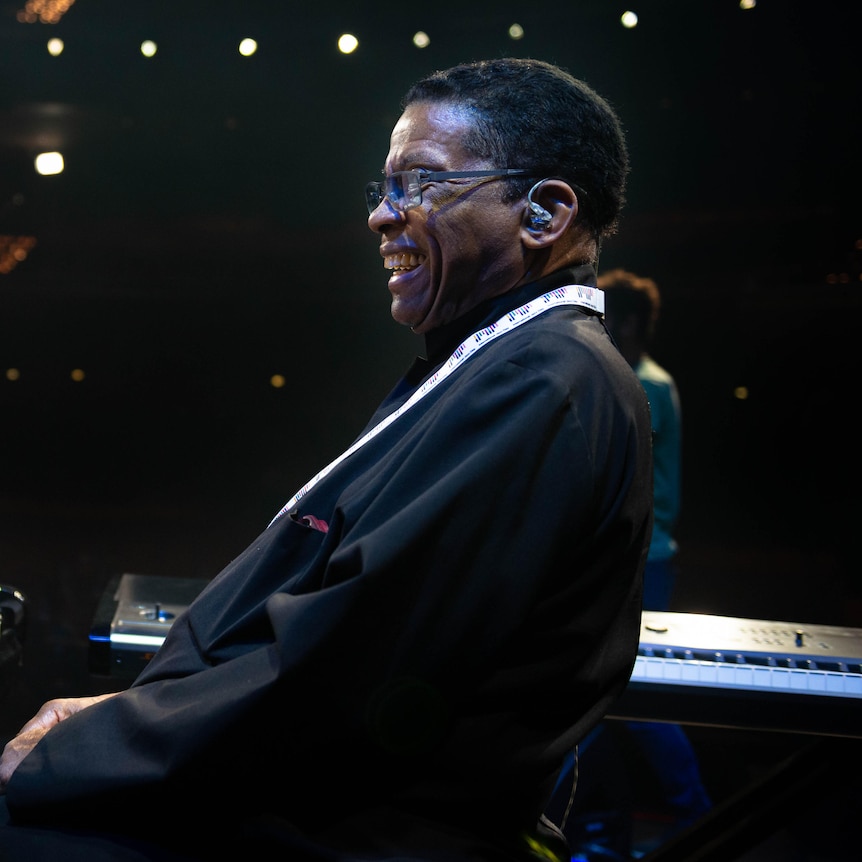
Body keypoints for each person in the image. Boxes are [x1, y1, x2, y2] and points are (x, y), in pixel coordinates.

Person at [0, 58, 652, 862]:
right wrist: (112, 720)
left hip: (355, 832)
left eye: (418, 183)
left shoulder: (546, 380)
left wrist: (87, 748)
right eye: (382, 189)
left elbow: (345, 672)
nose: (383, 217)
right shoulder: (505, 364)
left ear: (546, 212)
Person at [559, 269, 709, 858]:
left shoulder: (644, 385)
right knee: (598, 704)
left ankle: (695, 815)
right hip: (637, 556)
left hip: (644, 561)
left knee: (635, 698)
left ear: (621, 323)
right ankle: (601, 830)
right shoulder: (647, 381)